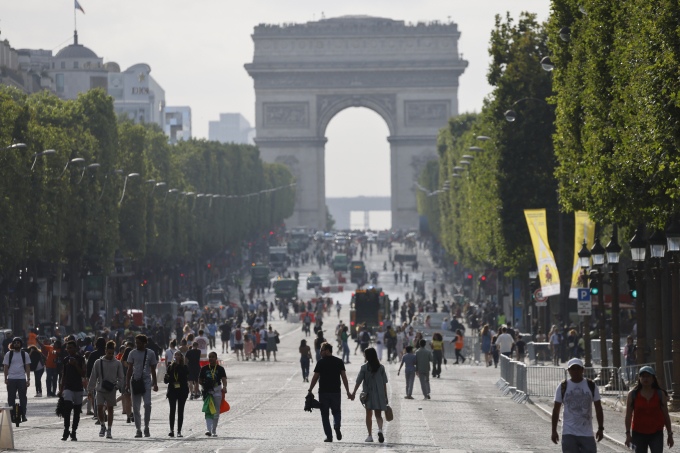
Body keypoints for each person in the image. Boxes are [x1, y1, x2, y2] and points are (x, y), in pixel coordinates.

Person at [551, 358, 604, 452]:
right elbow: (556, 409)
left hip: (587, 433)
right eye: (573, 369)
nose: (575, 371)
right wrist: (554, 431)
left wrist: (600, 428)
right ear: (568, 371)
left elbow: (598, 408)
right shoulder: (563, 386)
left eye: (578, 368)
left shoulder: (591, 385)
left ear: (582, 369)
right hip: (568, 433)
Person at [308, 342, 352, 443]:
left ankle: (329, 436)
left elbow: (315, 377)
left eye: (322, 350)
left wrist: (310, 390)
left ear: (327, 351)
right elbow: (344, 377)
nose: (320, 352)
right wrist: (348, 391)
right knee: (336, 411)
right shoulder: (339, 361)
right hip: (336, 391)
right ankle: (336, 425)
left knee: (324, 415)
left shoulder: (321, 362)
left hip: (323, 392)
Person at [624, 366, 673, 453]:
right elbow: (628, 415)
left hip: (656, 433)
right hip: (638, 433)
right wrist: (628, 434)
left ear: (653, 379)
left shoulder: (660, 394)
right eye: (643, 376)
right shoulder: (632, 394)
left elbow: (666, 415)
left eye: (648, 376)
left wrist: (670, 434)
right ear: (639, 378)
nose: (645, 378)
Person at [87, 341, 124, 439]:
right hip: (100, 389)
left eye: (112, 353)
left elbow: (121, 378)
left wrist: (117, 386)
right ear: (105, 351)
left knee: (110, 409)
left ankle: (109, 429)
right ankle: (103, 426)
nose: (111, 355)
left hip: (111, 390)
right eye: (109, 353)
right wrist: (90, 390)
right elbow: (93, 377)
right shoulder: (98, 362)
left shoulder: (117, 363)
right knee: (99, 408)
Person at [350, 347, 388, 443]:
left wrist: (353, 393)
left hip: (368, 394)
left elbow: (358, 381)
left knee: (368, 415)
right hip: (379, 394)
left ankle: (370, 436)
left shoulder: (364, 368)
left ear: (367, 356)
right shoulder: (381, 368)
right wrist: (385, 396)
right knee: (378, 415)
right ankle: (380, 429)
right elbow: (384, 383)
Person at [125, 334, 159, 438]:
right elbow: (129, 369)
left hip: (146, 381)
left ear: (144, 343)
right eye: (136, 343)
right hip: (135, 381)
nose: (137, 345)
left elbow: (153, 369)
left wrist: (155, 383)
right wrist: (127, 383)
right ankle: (138, 429)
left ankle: (146, 426)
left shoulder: (151, 353)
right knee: (135, 407)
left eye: (139, 343)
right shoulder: (132, 353)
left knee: (147, 404)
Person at [58, 340, 86, 441]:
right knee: (68, 407)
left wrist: (75, 365)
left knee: (77, 412)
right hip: (68, 387)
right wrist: (61, 390)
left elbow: (83, 374)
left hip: (78, 388)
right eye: (67, 348)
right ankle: (66, 430)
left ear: (75, 348)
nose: (69, 350)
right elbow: (63, 376)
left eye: (71, 348)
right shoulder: (65, 360)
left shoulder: (80, 359)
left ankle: (73, 432)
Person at [199, 351, 227, 437]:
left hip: (217, 390)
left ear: (216, 358)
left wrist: (225, 387)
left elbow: (223, 379)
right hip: (208, 391)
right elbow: (199, 380)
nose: (211, 358)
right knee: (208, 410)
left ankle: (214, 430)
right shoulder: (204, 368)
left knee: (216, 411)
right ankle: (208, 430)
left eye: (212, 357)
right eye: (209, 357)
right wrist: (204, 383)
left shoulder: (220, 369)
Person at [3, 337, 30, 424]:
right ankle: (11, 415)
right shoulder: (8, 354)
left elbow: (27, 367)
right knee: (11, 398)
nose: (16, 344)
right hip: (11, 379)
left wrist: (28, 379)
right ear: (13, 344)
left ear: (21, 344)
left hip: (22, 378)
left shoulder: (24, 354)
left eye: (18, 342)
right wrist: (6, 378)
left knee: (23, 397)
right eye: (15, 343)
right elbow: (5, 367)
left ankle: (23, 415)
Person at [166, 351, 189, 438]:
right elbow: (166, 381)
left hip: (182, 391)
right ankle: (171, 430)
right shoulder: (170, 367)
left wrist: (178, 364)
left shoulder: (184, 367)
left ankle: (179, 431)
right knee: (172, 410)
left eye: (178, 355)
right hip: (172, 390)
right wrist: (166, 377)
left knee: (180, 411)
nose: (176, 356)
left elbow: (185, 374)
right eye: (175, 355)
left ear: (181, 357)